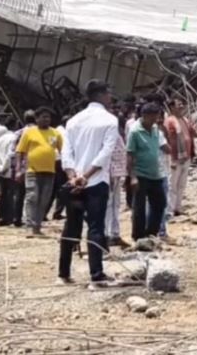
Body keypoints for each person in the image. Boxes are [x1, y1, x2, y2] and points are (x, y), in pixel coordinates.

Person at [58, 80, 119, 285]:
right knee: (95, 227)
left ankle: (64, 273)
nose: (111, 98)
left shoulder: (74, 120)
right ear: (101, 95)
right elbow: (105, 153)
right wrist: (86, 176)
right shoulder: (110, 120)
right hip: (95, 182)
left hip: (74, 181)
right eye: (109, 93)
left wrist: (72, 176)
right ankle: (96, 274)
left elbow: (66, 152)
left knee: (71, 226)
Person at [17, 106, 62, 237]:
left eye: (48, 117)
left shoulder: (55, 133)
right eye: (43, 117)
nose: (46, 119)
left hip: (49, 172)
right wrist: (19, 169)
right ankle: (30, 226)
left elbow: (64, 150)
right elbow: (20, 151)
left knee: (44, 200)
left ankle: (37, 226)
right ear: (36, 119)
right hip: (32, 171)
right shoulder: (29, 132)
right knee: (32, 197)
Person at [127, 103, 168, 241]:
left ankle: (151, 233)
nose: (155, 121)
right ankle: (138, 236)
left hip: (156, 174)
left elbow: (166, 148)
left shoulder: (156, 129)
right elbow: (130, 155)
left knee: (160, 203)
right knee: (139, 207)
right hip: (140, 174)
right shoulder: (135, 132)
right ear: (144, 116)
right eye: (152, 118)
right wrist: (132, 177)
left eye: (156, 118)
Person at [163, 96, 197, 216]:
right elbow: (169, 140)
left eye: (182, 104)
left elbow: (194, 133)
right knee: (172, 184)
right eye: (179, 104)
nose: (182, 106)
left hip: (186, 156)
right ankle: (169, 210)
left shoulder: (184, 119)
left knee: (181, 184)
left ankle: (178, 207)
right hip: (175, 157)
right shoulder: (169, 121)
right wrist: (172, 159)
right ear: (172, 107)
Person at [105, 113, 130, 248]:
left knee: (115, 205)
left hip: (118, 174)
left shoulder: (117, 135)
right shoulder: (108, 135)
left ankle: (115, 234)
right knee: (108, 205)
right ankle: (107, 234)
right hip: (110, 174)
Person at [0, 114, 22, 227]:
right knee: (11, 195)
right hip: (10, 170)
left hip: (1, 169)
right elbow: (10, 155)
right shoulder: (13, 138)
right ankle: (9, 218)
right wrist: (4, 167)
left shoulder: (0, 139)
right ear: (14, 125)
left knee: (2, 194)